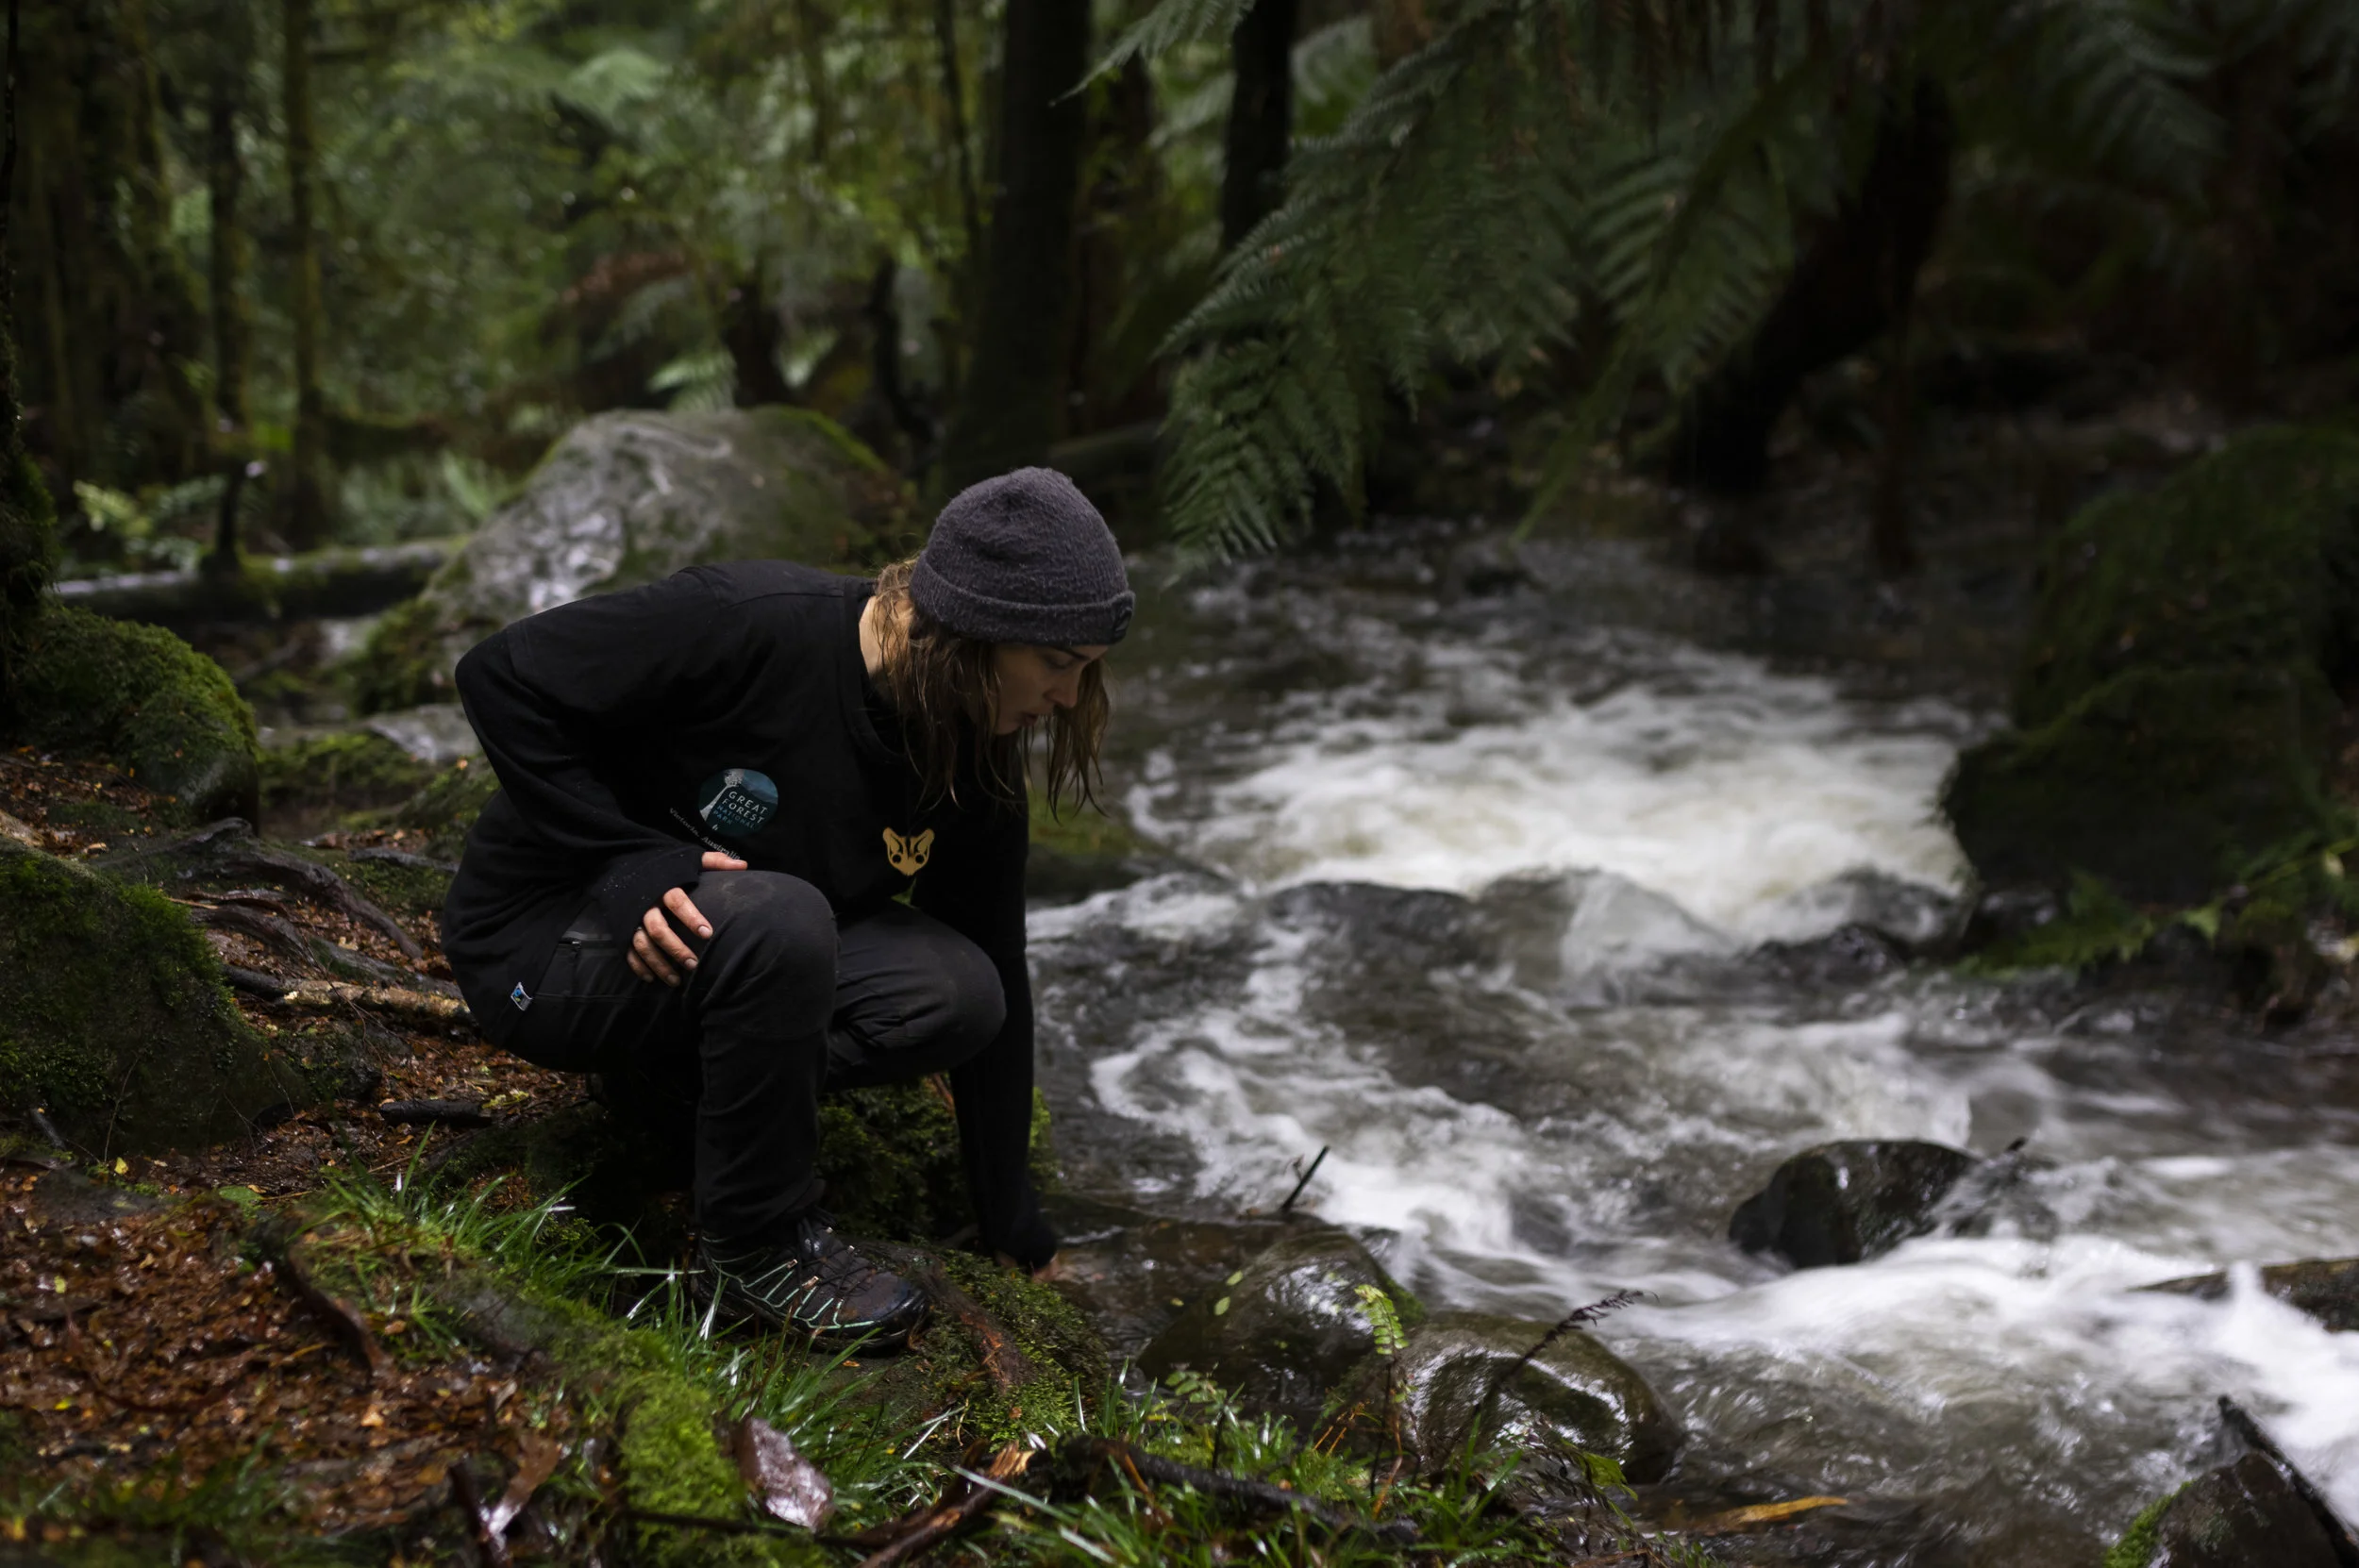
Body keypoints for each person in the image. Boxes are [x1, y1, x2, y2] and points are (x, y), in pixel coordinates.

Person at [439, 467, 1131, 1343]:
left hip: (720, 953)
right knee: (786, 920)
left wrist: (1012, 1221)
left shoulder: (969, 752)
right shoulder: (746, 620)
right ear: (972, 630)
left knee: (960, 992)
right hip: (540, 937)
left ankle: (670, 1096)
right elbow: (499, 674)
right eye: (1057, 665)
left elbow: (995, 959)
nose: (1066, 699)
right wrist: (622, 860)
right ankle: (753, 1246)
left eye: (1086, 671)